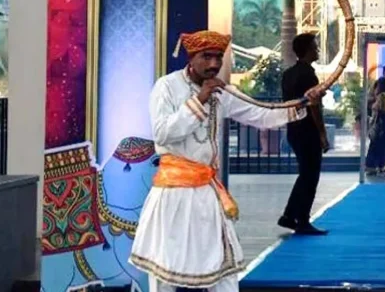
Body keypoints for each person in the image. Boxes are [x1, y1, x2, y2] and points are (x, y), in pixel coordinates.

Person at [130, 30, 314, 291]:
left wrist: (301, 104)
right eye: (207, 57)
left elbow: (259, 114)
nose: (214, 64)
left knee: (223, 267)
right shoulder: (167, 87)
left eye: (218, 57)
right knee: (165, 271)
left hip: (207, 192)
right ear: (192, 58)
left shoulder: (221, 91)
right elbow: (163, 133)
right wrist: (201, 99)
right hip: (173, 193)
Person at [278, 34, 328, 236]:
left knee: (304, 175)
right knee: (310, 176)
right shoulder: (309, 76)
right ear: (307, 50)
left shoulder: (288, 74)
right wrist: (322, 133)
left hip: (294, 129)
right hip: (308, 130)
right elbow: (313, 106)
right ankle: (302, 219)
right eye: (315, 47)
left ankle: (290, 215)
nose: (317, 50)